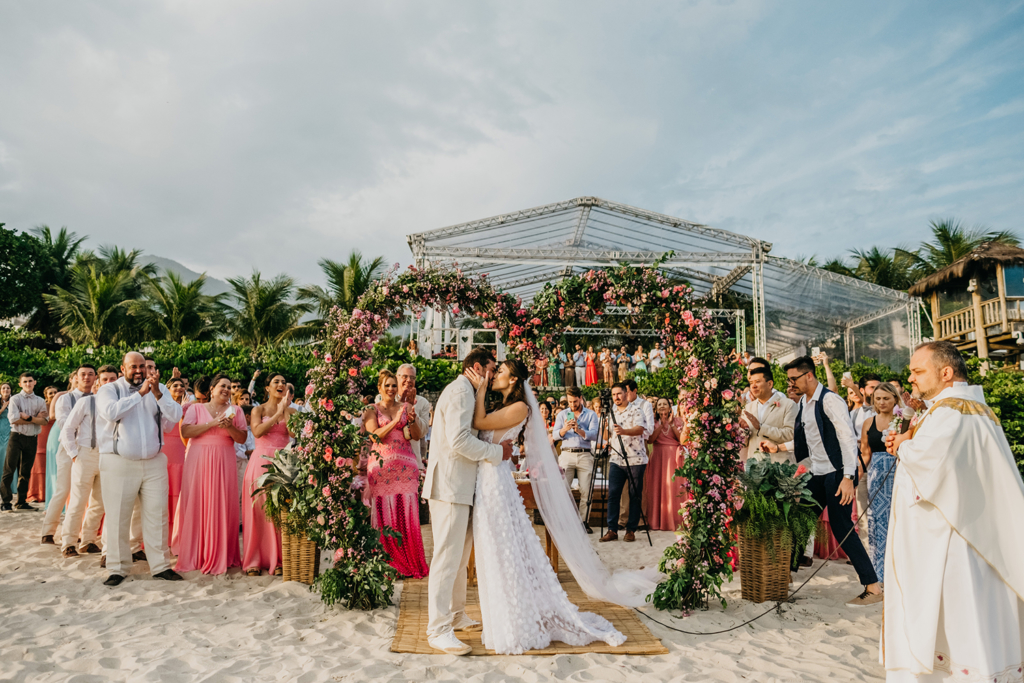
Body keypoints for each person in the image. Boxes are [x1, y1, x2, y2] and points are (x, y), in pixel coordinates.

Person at [882, 341, 1024, 681]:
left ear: (946, 373)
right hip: (967, 530)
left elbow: (935, 463)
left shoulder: (952, 411)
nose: (911, 379)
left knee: (960, 620)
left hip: (954, 541)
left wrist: (905, 446)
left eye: (918, 371)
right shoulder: (964, 408)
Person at [466, 358, 628, 654]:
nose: (494, 376)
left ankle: (516, 619)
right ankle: (501, 617)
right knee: (494, 551)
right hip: (487, 481)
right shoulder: (503, 406)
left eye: (499, 372)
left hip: (497, 484)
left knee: (505, 551)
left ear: (514, 379)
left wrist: (478, 389)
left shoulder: (520, 408)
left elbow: (478, 423)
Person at [424, 347, 513, 655]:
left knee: (459, 560)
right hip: (449, 486)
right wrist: (498, 454)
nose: (493, 376)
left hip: (462, 486)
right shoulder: (461, 392)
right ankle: (437, 628)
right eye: (491, 370)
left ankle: (456, 613)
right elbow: (459, 440)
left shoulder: (466, 391)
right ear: (477, 367)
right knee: (447, 559)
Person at [785, 355, 881, 605]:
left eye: (794, 379)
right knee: (799, 519)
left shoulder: (830, 400)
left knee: (841, 528)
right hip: (817, 473)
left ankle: (872, 586)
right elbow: (811, 440)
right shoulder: (804, 403)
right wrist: (778, 447)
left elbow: (848, 438)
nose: (791, 384)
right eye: (789, 380)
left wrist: (848, 477)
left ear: (808, 375)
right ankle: (784, 576)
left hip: (838, 473)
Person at [95, 352, 184, 586]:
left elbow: (175, 415)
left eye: (142, 366)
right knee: (118, 517)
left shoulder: (159, 388)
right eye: (133, 366)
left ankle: (161, 566)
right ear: (123, 369)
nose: (138, 370)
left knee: (157, 515)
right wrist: (140, 394)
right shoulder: (110, 390)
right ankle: (117, 567)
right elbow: (110, 412)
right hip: (118, 461)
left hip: (154, 461)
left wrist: (156, 394)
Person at [173, 374, 247, 575]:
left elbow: (241, 438)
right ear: (212, 389)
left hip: (224, 458)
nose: (226, 389)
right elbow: (186, 431)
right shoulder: (195, 408)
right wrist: (213, 423)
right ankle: (197, 552)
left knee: (222, 502)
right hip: (198, 458)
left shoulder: (236, 411)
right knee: (198, 501)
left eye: (229, 387)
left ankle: (221, 552)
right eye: (222, 386)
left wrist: (229, 426)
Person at [364, 369, 428, 579]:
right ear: (380, 388)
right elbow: (375, 435)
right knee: (384, 511)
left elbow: (416, 436)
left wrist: (411, 419)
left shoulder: (406, 407)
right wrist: (394, 421)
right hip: (381, 469)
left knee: (407, 510)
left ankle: (408, 560)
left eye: (394, 385)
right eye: (388, 385)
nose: (391, 389)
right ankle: (387, 560)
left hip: (406, 468)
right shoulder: (371, 409)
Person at [60, 365, 119, 557]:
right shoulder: (86, 402)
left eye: (112, 379)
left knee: (99, 503)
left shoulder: (120, 404)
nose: (109, 383)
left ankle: (88, 541)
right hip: (86, 454)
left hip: (109, 456)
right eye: (105, 379)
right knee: (78, 501)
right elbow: (67, 429)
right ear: (98, 382)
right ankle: (68, 542)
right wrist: (75, 454)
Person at [242, 374, 292, 576]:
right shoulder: (258, 409)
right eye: (276, 382)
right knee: (259, 511)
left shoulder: (290, 410)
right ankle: (254, 559)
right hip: (261, 461)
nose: (281, 385)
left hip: (284, 463)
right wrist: (276, 414)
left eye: (283, 382)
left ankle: (278, 559)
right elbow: (257, 431)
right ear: (267, 388)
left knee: (280, 511)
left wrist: (286, 410)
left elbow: (294, 434)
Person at [41, 366, 96, 546]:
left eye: (90, 374)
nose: (86, 378)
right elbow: (64, 424)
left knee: (87, 496)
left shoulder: (100, 399)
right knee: (63, 490)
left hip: (91, 450)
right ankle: (48, 531)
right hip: (68, 448)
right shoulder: (66, 398)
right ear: (75, 378)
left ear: (95, 377)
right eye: (83, 375)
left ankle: (82, 535)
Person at [858, 381, 904, 583]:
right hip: (876, 476)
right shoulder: (869, 422)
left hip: (900, 473)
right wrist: (855, 478)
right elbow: (865, 453)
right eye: (878, 398)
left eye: (886, 398)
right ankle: (881, 572)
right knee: (877, 522)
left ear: (895, 398)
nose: (882, 402)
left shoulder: (904, 420)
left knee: (900, 520)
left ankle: (900, 570)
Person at [600, 383, 648, 543]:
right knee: (613, 494)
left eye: (619, 394)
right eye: (613, 395)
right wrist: (603, 426)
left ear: (626, 394)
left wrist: (624, 431)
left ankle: (630, 530)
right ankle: (612, 530)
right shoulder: (610, 412)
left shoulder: (636, 410)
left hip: (636, 459)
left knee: (634, 495)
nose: (616, 397)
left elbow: (640, 429)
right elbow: (606, 436)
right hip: (616, 458)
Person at [552, 387, 599, 530]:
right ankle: (565, 522)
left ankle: (583, 522)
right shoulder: (562, 415)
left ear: (581, 398)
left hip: (585, 453)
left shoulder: (591, 415)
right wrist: (565, 429)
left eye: (575, 401)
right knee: (563, 489)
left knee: (586, 490)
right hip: (567, 453)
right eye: (570, 402)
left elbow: (595, 435)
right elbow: (554, 436)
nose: (572, 405)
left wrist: (578, 430)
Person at [1, 372, 49, 511]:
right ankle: (5, 502)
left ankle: (21, 502)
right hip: (16, 437)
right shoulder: (15, 399)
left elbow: (44, 421)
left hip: (32, 438)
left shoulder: (40, 400)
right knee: (9, 470)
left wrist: (28, 417)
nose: (28, 384)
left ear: (35, 382)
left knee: (25, 471)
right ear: (20, 384)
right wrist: (35, 419)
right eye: (25, 381)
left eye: (30, 381)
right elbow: (13, 419)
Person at [740, 365, 797, 464]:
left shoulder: (788, 405)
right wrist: (742, 430)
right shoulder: (747, 408)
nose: (753, 386)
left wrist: (761, 427)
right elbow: (744, 443)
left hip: (779, 467)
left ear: (770, 384)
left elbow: (791, 435)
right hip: (754, 468)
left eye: (757, 382)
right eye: (751, 383)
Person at [645, 397, 687, 531]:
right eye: (659, 405)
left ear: (670, 407)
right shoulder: (653, 422)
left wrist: (671, 424)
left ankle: (675, 520)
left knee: (673, 489)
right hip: (658, 456)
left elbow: (681, 440)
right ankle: (658, 521)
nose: (662, 406)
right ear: (656, 409)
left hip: (672, 457)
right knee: (658, 487)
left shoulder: (678, 420)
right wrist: (662, 424)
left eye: (665, 404)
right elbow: (650, 440)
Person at [164, 377, 188, 542]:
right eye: (175, 385)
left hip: (182, 452)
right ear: (168, 389)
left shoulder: (189, 407)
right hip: (166, 452)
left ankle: (178, 536)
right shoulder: (163, 406)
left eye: (182, 385)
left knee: (179, 494)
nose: (179, 388)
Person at [395, 364, 431, 471]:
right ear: (397, 378)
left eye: (412, 377)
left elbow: (423, 432)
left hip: (413, 462)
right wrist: (401, 405)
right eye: (404, 376)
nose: (409, 380)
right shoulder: (385, 399)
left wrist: (412, 411)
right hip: (391, 459)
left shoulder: (422, 402)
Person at [27, 385, 58, 503]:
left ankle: (51, 493)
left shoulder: (60, 405)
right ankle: (36, 493)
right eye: (50, 393)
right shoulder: (41, 406)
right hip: (42, 435)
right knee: (39, 465)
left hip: (55, 436)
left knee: (54, 465)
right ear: (46, 395)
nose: (53, 394)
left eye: (55, 392)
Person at [0, 383, 12, 496]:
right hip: (0, 429)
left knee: (9, 456)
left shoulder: (14, 401)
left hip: (11, 429)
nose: (6, 390)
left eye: (8, 388)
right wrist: (3, 408)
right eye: (3, 388)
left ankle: (9, 485)